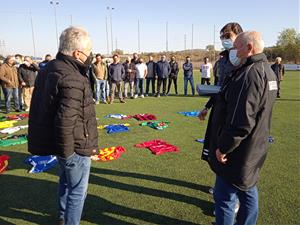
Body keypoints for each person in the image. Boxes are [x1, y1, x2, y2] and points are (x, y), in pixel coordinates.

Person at [28, 27, 98, 225]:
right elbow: (65, 120)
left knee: (66, 182)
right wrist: (68, 153)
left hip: (61, 144)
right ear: (77, 53)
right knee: (77, 190)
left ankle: (62, 216)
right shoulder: (73, 77)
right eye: (88, 52)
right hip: (74, 145)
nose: (90, 56)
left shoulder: (49, 68)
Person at [206, 31, 277, 225]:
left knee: (224, 196)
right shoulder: (267, 70)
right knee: (247, 188)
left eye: (236, 47)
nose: (233, 52)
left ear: (249, 47)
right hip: (256, 145)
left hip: (240, 149)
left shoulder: (250, 74)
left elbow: (242, 121)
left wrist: (224, 147)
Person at [199, 22, 243, 120]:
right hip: (220, 108)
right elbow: (219, 86)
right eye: (222, 37)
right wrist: (207, 106)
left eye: (228, 36)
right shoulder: (222, 60)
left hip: (236, 112)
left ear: (239, 36)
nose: (224, 40)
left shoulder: (245, 60)